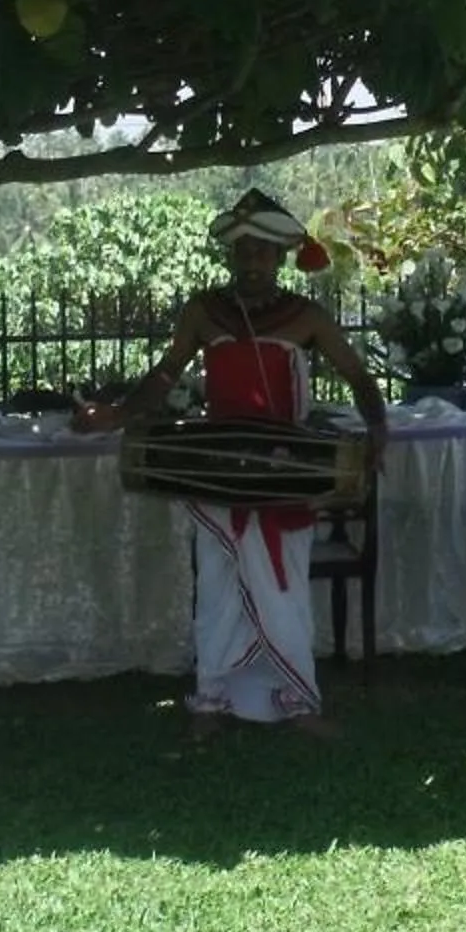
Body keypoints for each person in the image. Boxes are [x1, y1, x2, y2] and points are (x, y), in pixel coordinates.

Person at [116, 192, 387, 736]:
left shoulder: (305, 315)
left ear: (281, 258)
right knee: (217, 586)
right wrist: (119, 413)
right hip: (218, 466)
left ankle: (296, 700)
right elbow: (167, 375)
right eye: (243, 252)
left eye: (263, 253)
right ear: (230, 256)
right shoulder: (203, 310)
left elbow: (359, 378)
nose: (252, 262)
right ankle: (212, 700)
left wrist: (378, 428)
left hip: (284, 470)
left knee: (282, 586)